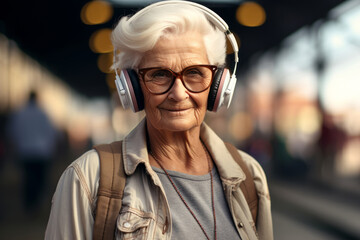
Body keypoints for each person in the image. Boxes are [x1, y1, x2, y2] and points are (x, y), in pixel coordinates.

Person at [45, 1, 273, 239]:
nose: (178, 94)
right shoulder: (87, 179)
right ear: (132, 87)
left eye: (194, 72)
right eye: (159, 74)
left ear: (219, 86)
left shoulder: (249, 176)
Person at [7, 91, 58, 214]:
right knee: (40, 179)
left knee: (28, 179)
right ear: (37, 98)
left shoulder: (20, 113)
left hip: (25, 152)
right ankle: (38, 202)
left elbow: (12, 132)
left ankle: (29, 204)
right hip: (42, 152)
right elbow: (51, 132)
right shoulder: (43, 113)